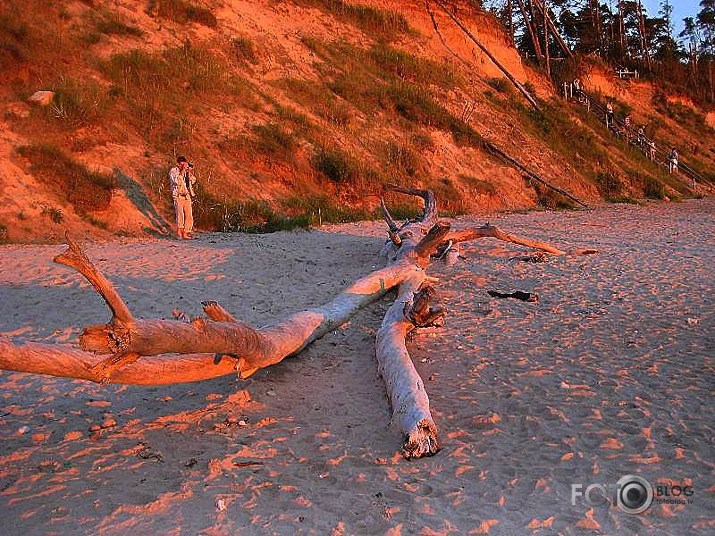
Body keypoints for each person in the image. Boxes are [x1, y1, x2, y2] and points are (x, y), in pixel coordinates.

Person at [168, 156, 196, 239]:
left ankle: (186, 232)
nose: (183, 166)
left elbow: (193, 180)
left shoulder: (186, 172)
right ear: (178, 164)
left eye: (184, 165)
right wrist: (183, 171)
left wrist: (189, 172)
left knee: (189, 215)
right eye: (182, 165)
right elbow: (177, 181)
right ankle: (179, 233)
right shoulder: (173, 171)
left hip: (187, 196)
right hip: (178, 196)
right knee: (180, 215)